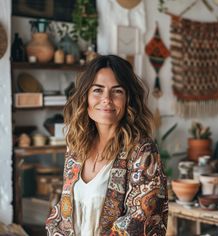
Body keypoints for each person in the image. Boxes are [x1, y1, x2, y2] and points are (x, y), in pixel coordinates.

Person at [46, 55, 168, 235]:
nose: (106, 99)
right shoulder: (76, 147)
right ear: (85, 96)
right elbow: (64, 211)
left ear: (128, 99)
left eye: (117, 91)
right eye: (97, 90)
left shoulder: (142, 152)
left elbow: (141, 221)